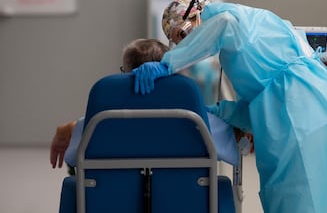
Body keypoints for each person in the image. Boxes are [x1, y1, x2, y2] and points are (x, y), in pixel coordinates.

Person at [132, 0, 327, 213]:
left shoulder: (226, 19)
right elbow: (262, 101)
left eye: (182, 39)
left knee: (299, 195)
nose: (184, 45)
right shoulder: (256, 23)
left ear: (191, 21)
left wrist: (169, 64)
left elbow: (224, 27)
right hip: (325, 105)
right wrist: (219, 112)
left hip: (300, 115)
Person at [50, 38, 240, 172]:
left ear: (127, 74)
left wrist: (63, 131)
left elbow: (73, 143)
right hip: (185, 199)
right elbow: (238, 140)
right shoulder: (195, 120)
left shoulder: (103, 122)